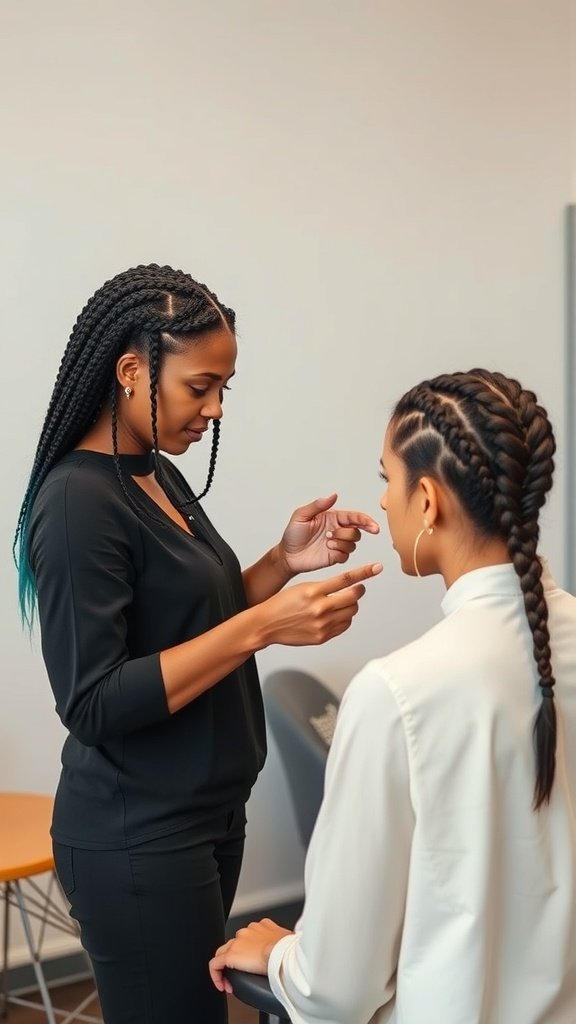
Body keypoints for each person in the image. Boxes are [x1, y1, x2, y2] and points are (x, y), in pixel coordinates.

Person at [13, 263, 383, 1024]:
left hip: (204, 815)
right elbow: (95, 701)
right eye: (199, 386)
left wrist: (283, 563)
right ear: (129, 371)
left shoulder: (151, 471)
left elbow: (189, 622)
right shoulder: (77, 504)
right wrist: (265, 625)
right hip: (137, 835)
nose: (213, 409)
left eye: (225, 389)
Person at [210, 368, 576, 1024]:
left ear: (428, 502)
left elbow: (338, 992)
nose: (382, 502)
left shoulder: (397, 694)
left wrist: (286, 954)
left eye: (387, 479)